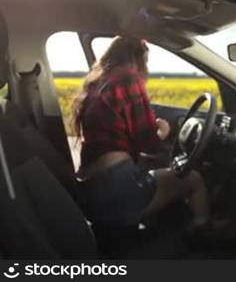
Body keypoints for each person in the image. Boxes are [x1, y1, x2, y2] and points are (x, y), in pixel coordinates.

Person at [72, 36, 209, 229]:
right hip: (117, 188)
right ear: (137, 59)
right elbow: (149, 143)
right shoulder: (128, 78)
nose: (146, 66)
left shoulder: (97, 83)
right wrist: (163, 130)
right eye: (145, 60)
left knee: (159, 177)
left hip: (90, 193)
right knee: (193, 179)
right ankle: (205, 233)